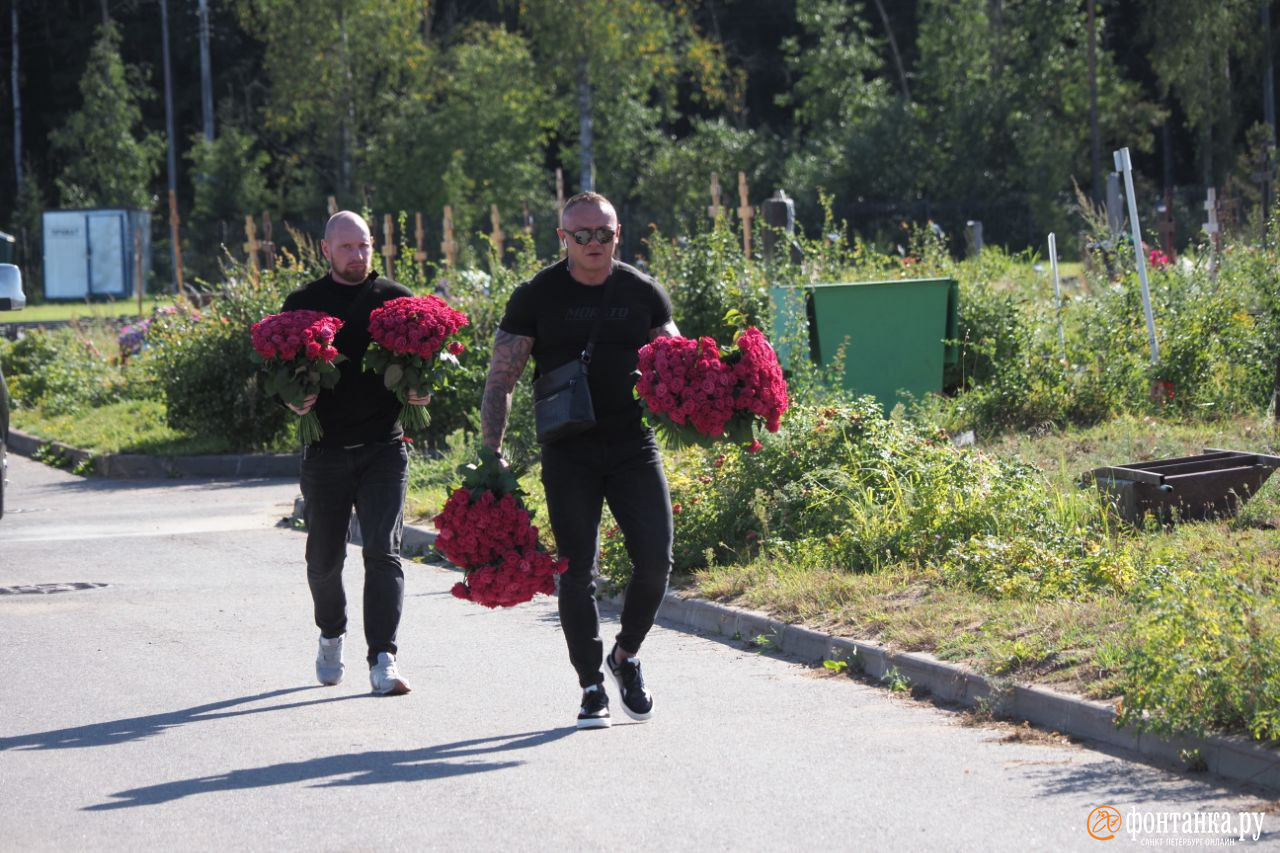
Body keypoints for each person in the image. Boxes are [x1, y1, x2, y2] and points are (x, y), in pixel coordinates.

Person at [481, 191, 679, 729]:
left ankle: (625, 656)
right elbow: (502, 379)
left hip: (633, 446)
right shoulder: (537, 296)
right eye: (582, 234)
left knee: (657, 562)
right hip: (568, 451)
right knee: (576, 572)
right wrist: (490, 452)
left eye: (605, 233)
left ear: (619, 234)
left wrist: (717, 392)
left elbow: (677, 360)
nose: (595, 243)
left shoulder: (642, 292)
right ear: (562, 238)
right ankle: (592, 685)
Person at [280, 210, 429, 696]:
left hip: (384, 448)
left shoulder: (396, 301)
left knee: (383, 551)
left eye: (363, 246)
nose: (357, 255)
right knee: (323, 560)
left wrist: (421, 390)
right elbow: (278, 373)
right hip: (325, 451)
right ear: (326, 250)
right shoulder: (303, 304)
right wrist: (289, 396)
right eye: (346, 247)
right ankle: (331, 632)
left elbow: (420, 364)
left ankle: (383, 658)